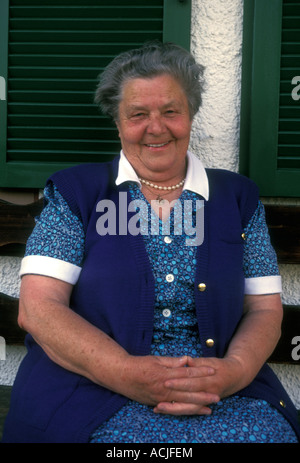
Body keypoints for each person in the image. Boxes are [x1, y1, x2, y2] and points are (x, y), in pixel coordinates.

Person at [2, 42, 300, 444]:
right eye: (138, 114)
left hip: (221, 390)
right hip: (94, 388)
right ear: (119, 122)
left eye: (170, 112)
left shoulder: (237, 199)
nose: (155, 127)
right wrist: (129, 374)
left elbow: (265, 308)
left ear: (190, 114)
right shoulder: (78, 194)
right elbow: (38, 309)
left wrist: (234, 372)